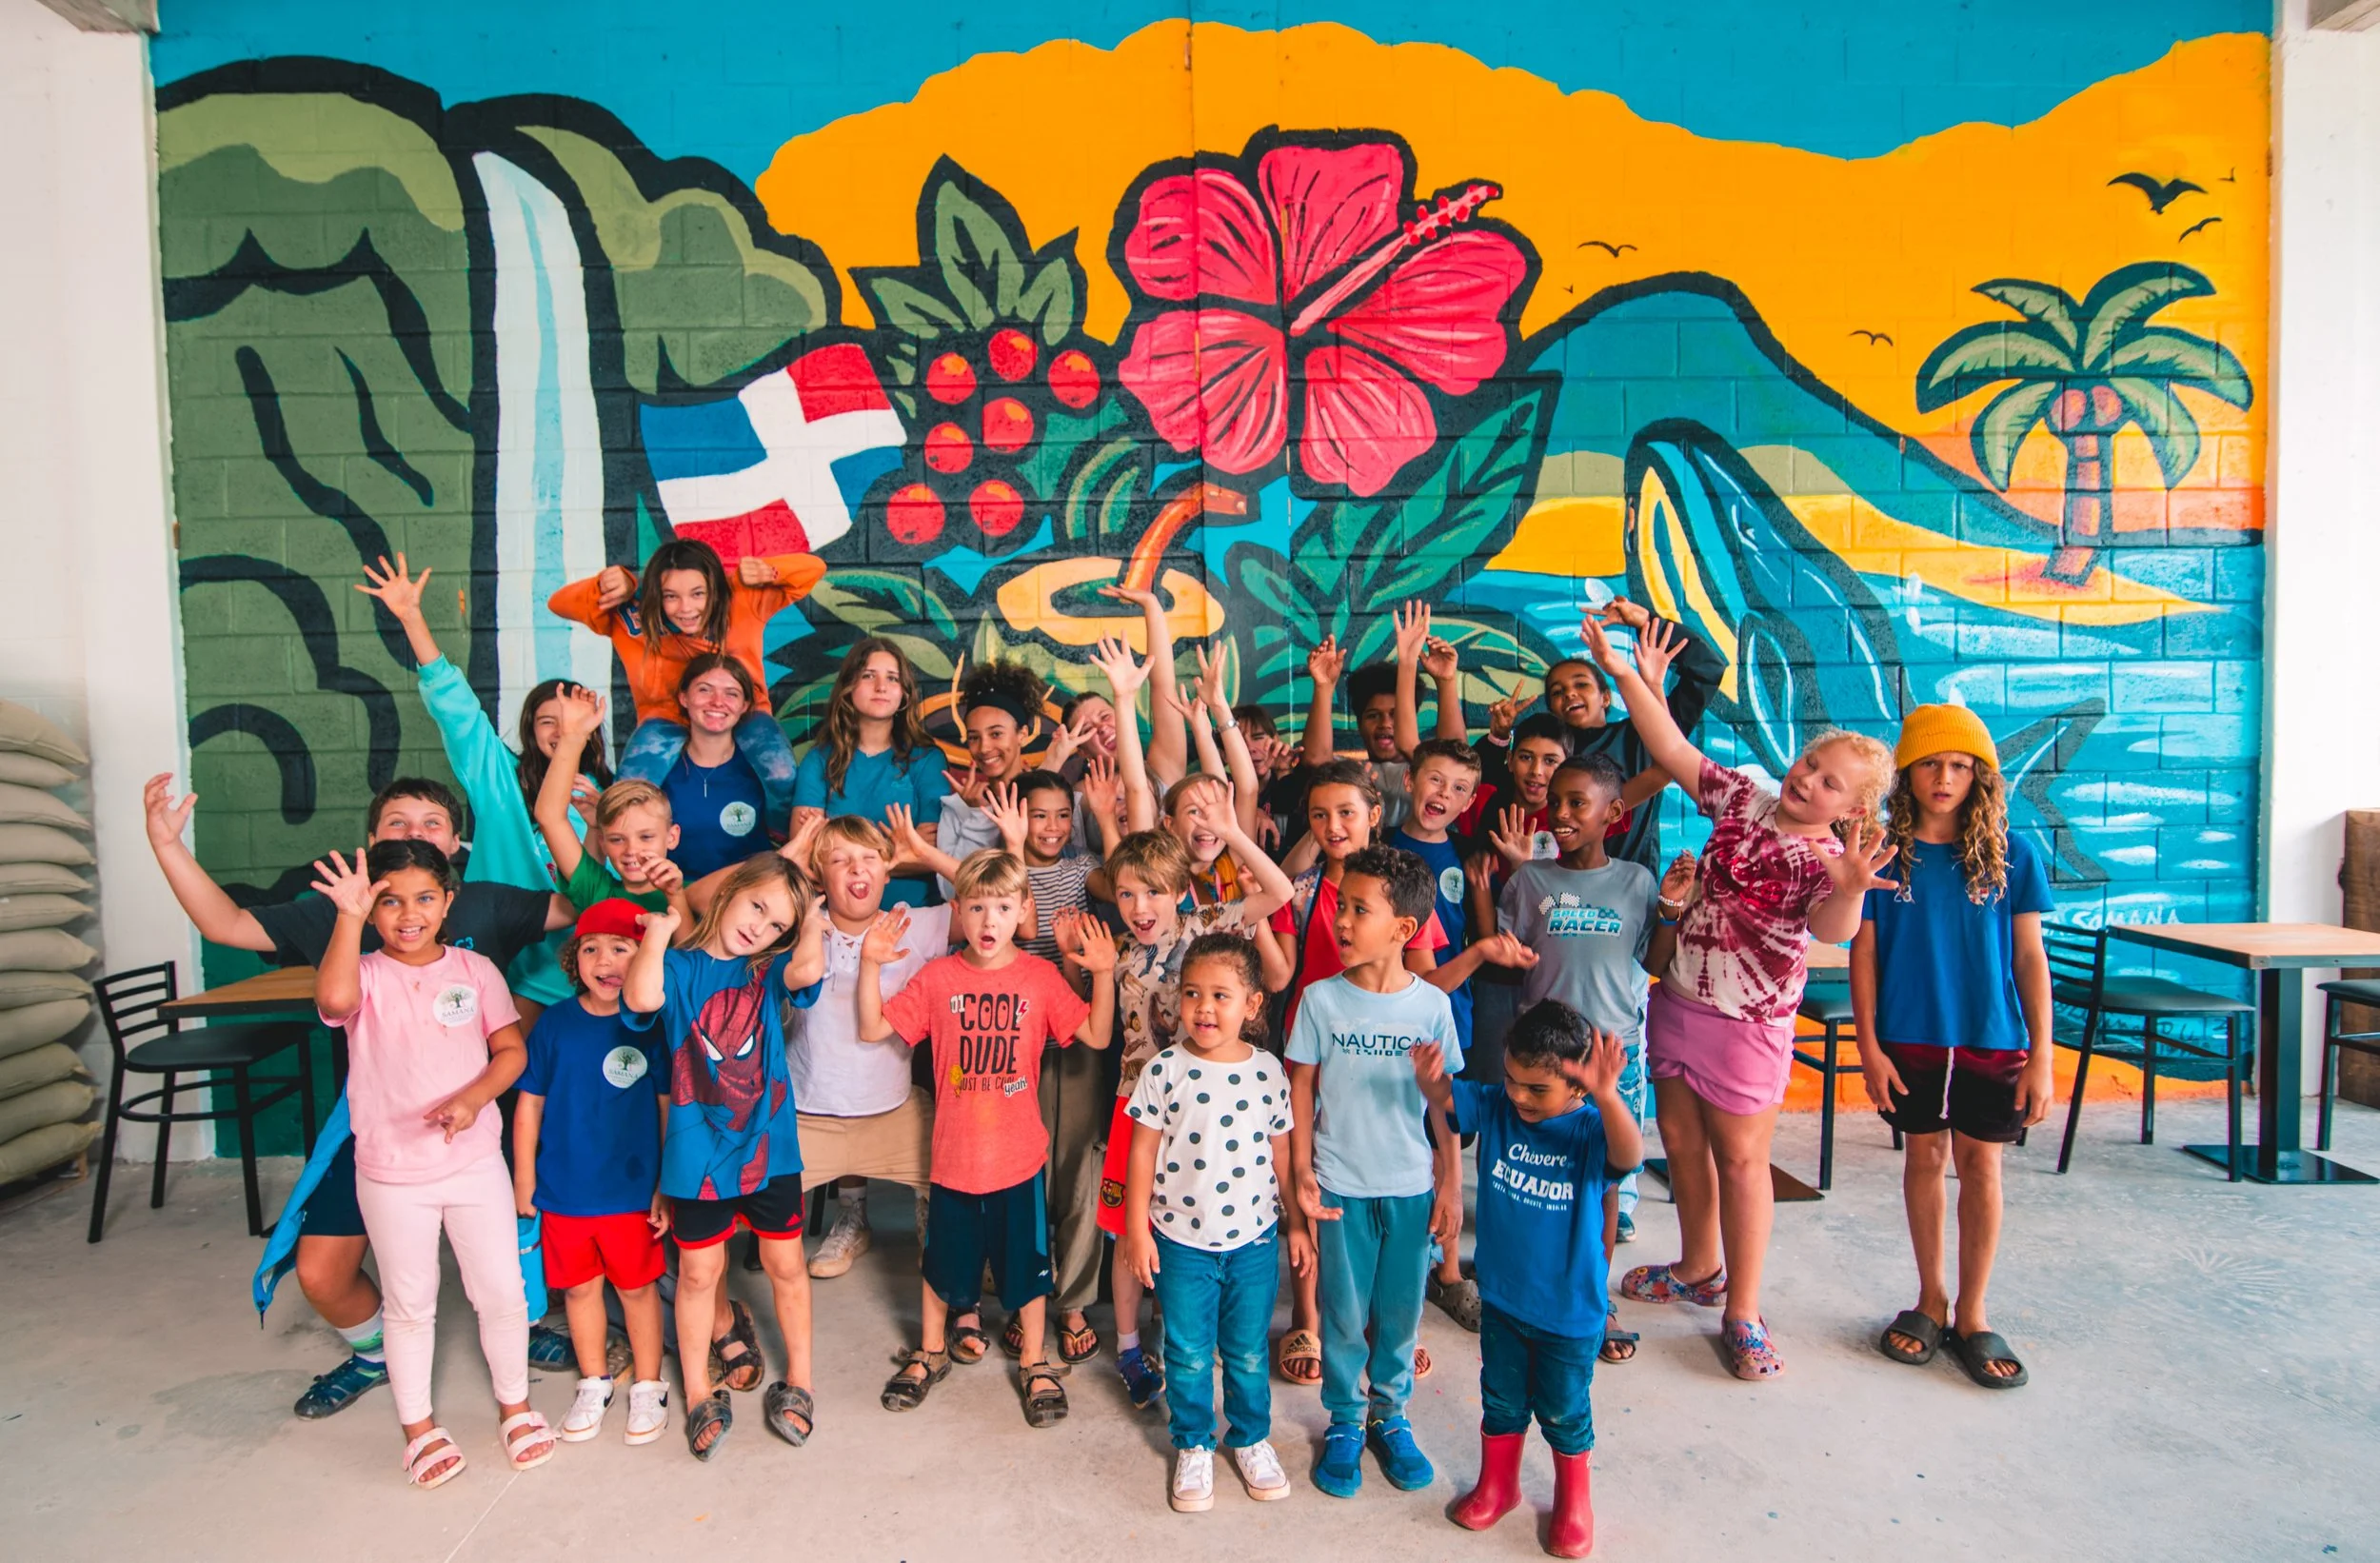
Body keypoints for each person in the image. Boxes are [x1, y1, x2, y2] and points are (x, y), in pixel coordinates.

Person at [142, 773, 573, 1418]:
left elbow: (584, 905)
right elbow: (227, 924)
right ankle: (376, 1351)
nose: (415, 834)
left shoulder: (483, 903)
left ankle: (518, 1328)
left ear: (455, 846)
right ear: (371, 841)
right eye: (398, 823)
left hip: (483, 1120)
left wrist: (607, 842)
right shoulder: (335, 914)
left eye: (432, 824)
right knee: (321, 1272)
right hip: (381, 1127)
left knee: (518, 1247)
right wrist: (168, 845)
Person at [1583, 614, 1896, 1381]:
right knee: (1683, 1147)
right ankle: (1698, 1266)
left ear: (1851, 811)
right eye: (1810, 762)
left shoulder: (1829, 858)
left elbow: (1831, 927)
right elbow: (1670, 749)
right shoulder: (1746, 799)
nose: (1807, 778)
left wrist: (1853, 890)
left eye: (1829, 782)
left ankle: (1744, 1310)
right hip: (1681, 999)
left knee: (1743, 1161)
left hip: (1750, 1026)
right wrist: (1625, 674)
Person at [310, 840, 554, 1488]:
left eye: (423, 898)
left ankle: (515, 1406)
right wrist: (347, 916)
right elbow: (333, 1005)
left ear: (449, 902)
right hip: (392, 1174)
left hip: (474, 1165)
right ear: (372, 910)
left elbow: (509, 1052)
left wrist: (473, 1099)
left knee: (501, 1292)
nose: (407, 914)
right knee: (410, 1303)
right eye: (389, 902)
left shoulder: (476, 974)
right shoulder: (362, 973)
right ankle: (417, 1430)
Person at [857, 851, 1117, 1428]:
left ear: (1023, 910)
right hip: (954, 1159)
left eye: (1002, 907)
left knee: (1027, 1266)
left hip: (1019, 1157)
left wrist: (1102, 972)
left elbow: (1097, 1035)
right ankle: (929, 1352)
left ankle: (1034, 1359)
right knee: (942, 1266)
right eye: (975, 907)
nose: (988, 920)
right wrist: (870, 964)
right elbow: (874, 1027)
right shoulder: (938, 977)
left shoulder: (1039, 977)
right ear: (958, 911)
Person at [1854, 704, 2053, 1391]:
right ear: (1905, 773)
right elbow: (1865, 956)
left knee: (1982, 1169)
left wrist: (2044, 1057)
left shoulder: (2012, 853)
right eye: (1931, 764)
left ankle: (1973, 1310)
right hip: (1909, 1038)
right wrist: (1869, 1048)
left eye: (1961, 766)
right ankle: (1930, 1298)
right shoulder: (1883, 852)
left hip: (1992, 1038)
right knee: (1924, 1158)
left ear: (1981, 776)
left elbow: (2030, 958)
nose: (1945, 778)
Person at [1413, 1001, 1643, 1559]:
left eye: (1537, 1089)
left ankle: (1573, 1502)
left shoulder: (1591, 1130)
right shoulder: (1497, 1106)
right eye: (1512, 1079)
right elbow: (1451, 1101)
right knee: (1502, 1398)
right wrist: (1430, 1084)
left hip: (1568, 1312)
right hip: (1502, 1297)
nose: (1518, 1096)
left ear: (1578, 1088)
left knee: (1564, 1411)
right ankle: (1500, 1486)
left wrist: (1609, 1096)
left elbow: (1630, 1154)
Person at [624, 853, 828, 1460]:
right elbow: (639, 998)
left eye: (775, 926)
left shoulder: (765, 970)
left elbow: (808, 970)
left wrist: (810, 922)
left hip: (770, 1150)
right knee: (696, 1274)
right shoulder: (681, 967)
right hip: (697, 1154)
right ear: (731, 890)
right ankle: (695, 1392)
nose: (759, 929)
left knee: (787, 1266)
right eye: (756, 907)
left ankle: (803, 1382)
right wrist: (658, 933)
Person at [358, 552, 611, 1021]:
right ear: (530, 730)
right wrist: (412, 618)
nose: (559, 730)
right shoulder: (501, 780)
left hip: (596, 966)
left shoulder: (615, 798)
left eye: (572, 721)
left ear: (593, 726)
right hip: (508, 967)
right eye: (546, 721)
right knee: (514, 1080)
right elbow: (458, 712)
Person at [1094, 821, 1294, 1410]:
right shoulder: (1121, 954)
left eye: (1153, 891)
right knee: (1129, 1235)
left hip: (1213, 1118)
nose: (1138, 906)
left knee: (1194, 1227)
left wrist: (1231, 830)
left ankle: (1180, 1335)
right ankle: (1130, 1347)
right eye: (1126, 893)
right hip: (1136, 1111)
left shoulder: (1210, 925)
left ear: (1182, 890)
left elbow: (1279, 892)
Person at [1286, 845, 1463, 1500]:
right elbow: (1300, 1087)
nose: (1342, 919)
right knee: (1342, 1311)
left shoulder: (1431, 1008)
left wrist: (1450, 1182)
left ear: (1404, 930)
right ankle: (1344, 1419)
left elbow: (1446, 1106)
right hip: (1339, 1185)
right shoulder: (1320, 1000)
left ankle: (1390, 1415)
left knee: (1400, 1311)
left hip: (1411, 1186)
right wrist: (1302, 1170)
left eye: (1360, 909)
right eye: (1341, 905)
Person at [1266, 760, 1446, 1389]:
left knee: (1387, 1223)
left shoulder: (1404, 888)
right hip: (1317, 1051)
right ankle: (1310, 1321)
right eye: (1319, 815)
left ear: (1375, 812)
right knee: (1321, 1195)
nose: (1332, 825)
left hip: (1382, 1052)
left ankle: (1389, 1331)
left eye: (1345, 812)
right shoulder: (1304, 887)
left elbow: (1424, 976)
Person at [1121, 934, 1297, 1513]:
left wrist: (1295, 1223)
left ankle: (1250, 1437)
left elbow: (1282, 1154)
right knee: (1189, 1351)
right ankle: (1193, 1442)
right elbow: (1141, 1152)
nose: (1203, 1007)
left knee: (1246, 1351)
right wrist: (1139, 1229)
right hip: (1181, 1240)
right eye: (1193, 993)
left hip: (1253, 1238)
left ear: (1251, 1005)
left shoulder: (1268, 1070)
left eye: (1221, 995)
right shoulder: (1165, 1069)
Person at [1491, 756, 1685, 1270]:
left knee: (1607, 1181)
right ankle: (1529, 1274)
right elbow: (1509, 962)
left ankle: (1593, 1292)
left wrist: (1669, 909)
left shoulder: (1636, 882)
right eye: (1555, 802)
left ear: (1613, 812)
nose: (1560, 813)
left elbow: (1655, 963)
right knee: (1539, 1173)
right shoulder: (1529, 881)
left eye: (1577, 803)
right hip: (1543, 1055)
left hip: (1610, 1050)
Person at [511, 900, 673, 1447]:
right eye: (590, 948)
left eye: (621, 948)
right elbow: (529, 1104)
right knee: (581, 1294)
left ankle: (649, 1386)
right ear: (573, 959)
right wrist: (524, 1178)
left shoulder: (652, 1026)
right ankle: (594, 1382)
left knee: (636, 1292)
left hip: (629, 1193)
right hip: (565, 1192)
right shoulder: (554, 1025)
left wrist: (663, 1185)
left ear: (646, 955)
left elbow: (666, 1110)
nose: (604, 960)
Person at [548, 538, 823, 825]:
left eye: (697, 594)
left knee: (780, 772)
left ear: (714, 591)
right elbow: (558, 603)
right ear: (655, 594)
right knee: (630, 789)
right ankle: (632, 855)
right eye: (670, 596)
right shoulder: (630, 614)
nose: (685, 607)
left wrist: (770, 571)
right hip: (664, 719)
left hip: (745, 713)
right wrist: (611, 586)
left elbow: (813, 569)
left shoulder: (740, 598)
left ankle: (782, 840)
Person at [790, 816, 942, 1280]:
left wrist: (925, 853)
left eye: (868, 858)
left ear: (887, 870)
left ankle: (931, 1220)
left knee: (943, 1146)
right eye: (840, 860)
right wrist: (790, 858)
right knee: (768, 1217)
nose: (857, 869)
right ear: (818, 874)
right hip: (808, 1109)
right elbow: (716, 901)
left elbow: (992, 898)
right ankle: (852, 1217)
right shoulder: (796, 926)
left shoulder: (910, 924)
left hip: (891, 1106)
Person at [1478, 598, 1723, 871]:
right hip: (1555, 895)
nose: (1569, 693)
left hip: (1631, 890)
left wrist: (1646, 622)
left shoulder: (1645, 732)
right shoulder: (1544, 756)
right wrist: (1499, 736)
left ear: (1605, 697)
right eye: (1557, 692)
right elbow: (1489, 789)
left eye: (1581, 684)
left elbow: (1707, 670)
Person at [791, 637, 950, 908]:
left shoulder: (927, 759)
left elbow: (930, 854)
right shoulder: (819, 760)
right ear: (849, 686)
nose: (881, 687)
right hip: (836, 920)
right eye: (868, 676)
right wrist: (894, 850)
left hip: (914, 915)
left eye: (892, 678)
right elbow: (804, 852)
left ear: (904, 693)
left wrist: (841, 856)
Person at [535, 687, 690, 919]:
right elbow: (549, 817)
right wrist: (573, 737)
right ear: (602, 842)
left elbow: (691, 952)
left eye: (646, 837)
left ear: (672, 836)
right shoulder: (597, 890)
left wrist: (677, 896)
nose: (632, 850)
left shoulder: (691, 893)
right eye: (617, 839)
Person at [657, 654, 773, 892]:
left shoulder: (763, 772)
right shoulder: (659, 770)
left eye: (731, 693)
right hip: (674, 901)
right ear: (684, 697)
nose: (717, 702)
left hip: (744, 901)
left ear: (744, 706)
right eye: (705, 690)